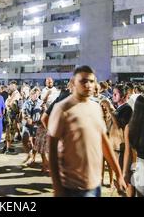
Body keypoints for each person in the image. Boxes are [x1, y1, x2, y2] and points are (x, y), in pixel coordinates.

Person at [47, 66, 126, 197]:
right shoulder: (62, 109)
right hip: (71, 187)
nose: (88, 85)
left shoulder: (96, 107)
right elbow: (52, 151)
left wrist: (119, 174)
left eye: (91, 81)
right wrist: (57, 187)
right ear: (73, 83)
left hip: (94, 186)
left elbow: (104, 142)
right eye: (83, 81)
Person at [100, 99, 123, 188]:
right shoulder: (99, 116)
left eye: (104, 106)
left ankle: (110, 181)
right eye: (101, 106)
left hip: (111, 142)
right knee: (101, 163)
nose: (103, 108)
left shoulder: (112, 115)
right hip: (101, 142)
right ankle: (101, 180)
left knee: (110, 163)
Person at [112, 84, 133, 170]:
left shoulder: (127, 108)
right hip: (117, 145)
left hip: (122, 146)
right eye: (113, 94)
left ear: (123, 96)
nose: (113, 96)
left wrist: (111, 112)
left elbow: (119, 127)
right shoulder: (119, 108)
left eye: (115, 94)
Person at [20, 87, 42, 166]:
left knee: (35, 142)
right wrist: (26, 118)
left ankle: (33, 158)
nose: (35, 96)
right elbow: (23, 112)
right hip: (27, 124)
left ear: (39, 94)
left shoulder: (41, 103)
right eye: (33, 94)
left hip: (36, 124)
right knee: (24, 140)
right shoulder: (27, 102)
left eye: (37, 94)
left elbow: (44, 113)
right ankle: (29, 153)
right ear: (31, 94)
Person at [4, 81, 22, 154]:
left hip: (12, 114)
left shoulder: (16, 94)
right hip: (10, 115)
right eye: (11, 86)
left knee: (10, 131)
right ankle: (7, 148)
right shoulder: (11, 94)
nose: (11, 87)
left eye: (13, 86)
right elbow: (9, 104)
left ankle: (7, 147)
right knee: (10, 131)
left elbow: (14, 104)